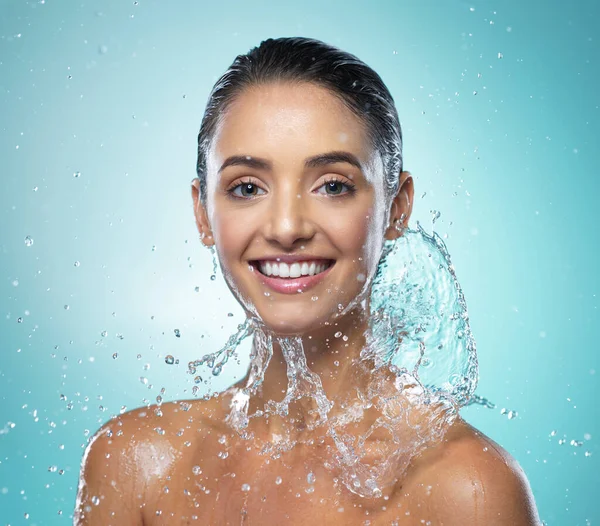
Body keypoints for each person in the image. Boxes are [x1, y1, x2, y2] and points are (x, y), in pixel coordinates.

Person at [74, 37, 541, 525]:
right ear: (203, 213)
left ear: (396, 207)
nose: (286, 228)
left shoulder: (468, 489)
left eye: (332, 186)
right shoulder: (136, 464)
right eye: (247, 188)